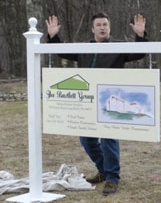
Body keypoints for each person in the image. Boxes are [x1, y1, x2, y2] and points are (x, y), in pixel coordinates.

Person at [46, 12, 148, 195]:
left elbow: (139, 52)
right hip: (88, 101)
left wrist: (140, 36)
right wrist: (54, 37)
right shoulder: (85, 47)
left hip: (110, 101)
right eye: (99, 25)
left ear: (109, 28)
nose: (102, 28)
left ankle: (112, 178)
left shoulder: (118, 47)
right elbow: (62, 51)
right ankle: (103, 171)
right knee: (86, 139)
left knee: (108, 139)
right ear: (93, 29)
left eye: (105, 25)